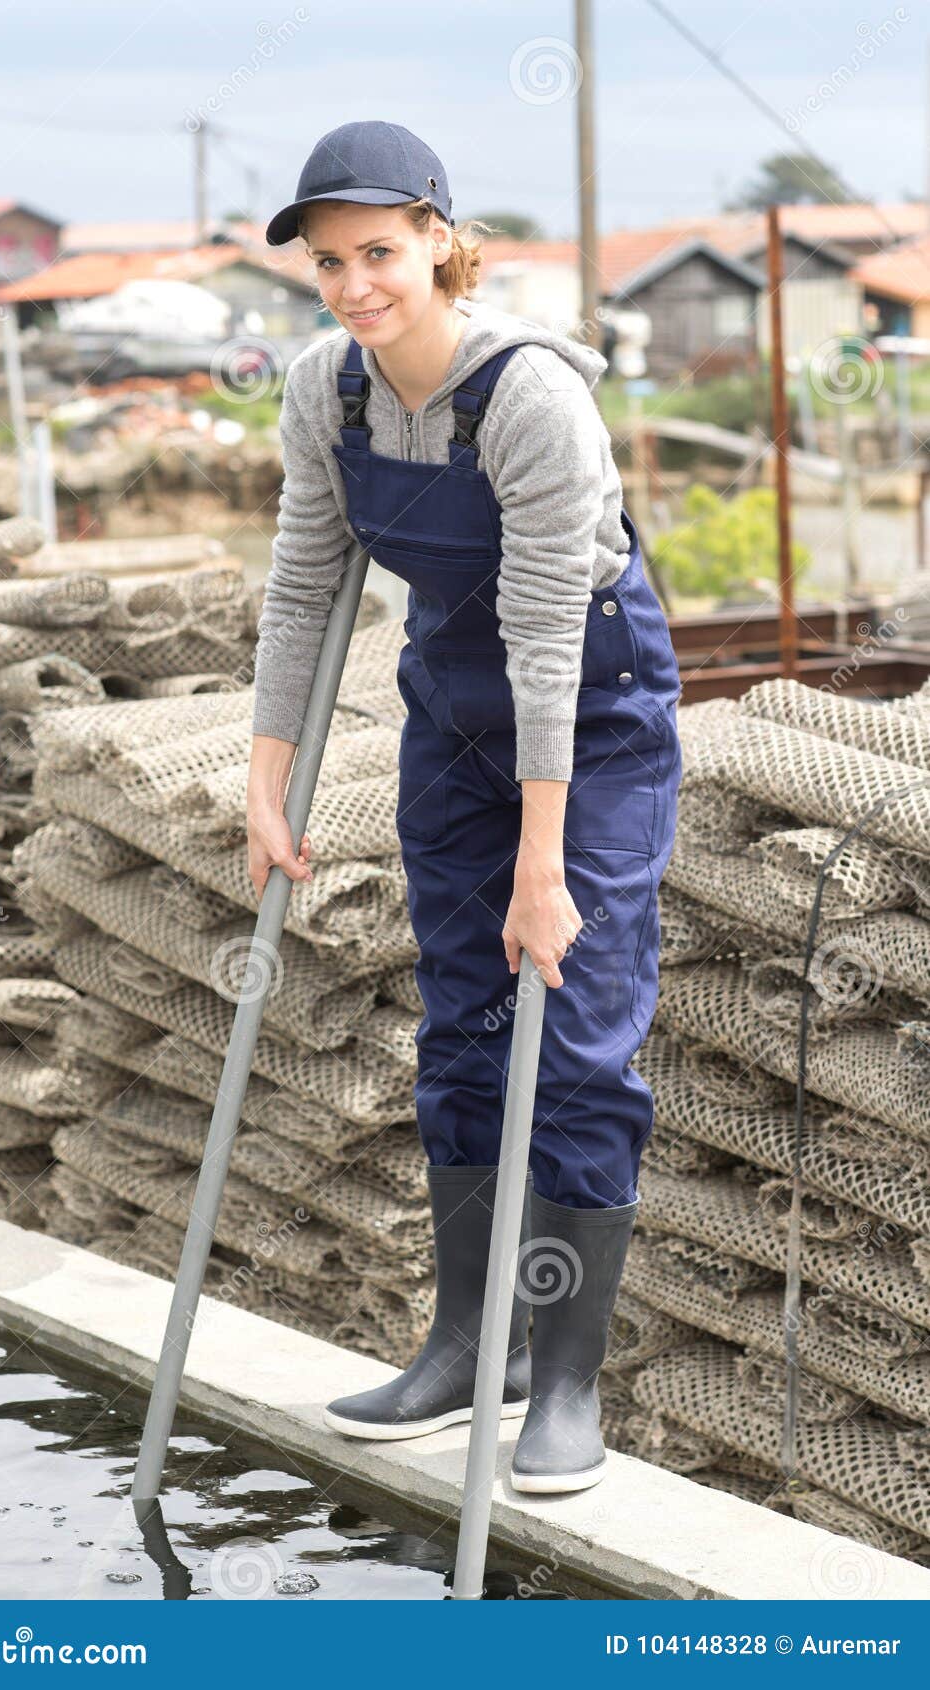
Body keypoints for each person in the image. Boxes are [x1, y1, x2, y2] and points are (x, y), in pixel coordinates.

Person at [246, 120, 681, 1494]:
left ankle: (566, 1383)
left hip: (591, 722)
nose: (355, 284)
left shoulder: (533, 396)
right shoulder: (327, 392)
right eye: (329, 262)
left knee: (579, 1030)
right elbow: (305, 585)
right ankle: (467, 1349)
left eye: (379, 251)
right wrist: (268, 783)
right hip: (451, 716)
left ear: (439, 238)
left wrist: (543, 864)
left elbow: (547, 633)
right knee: (460, 1024)